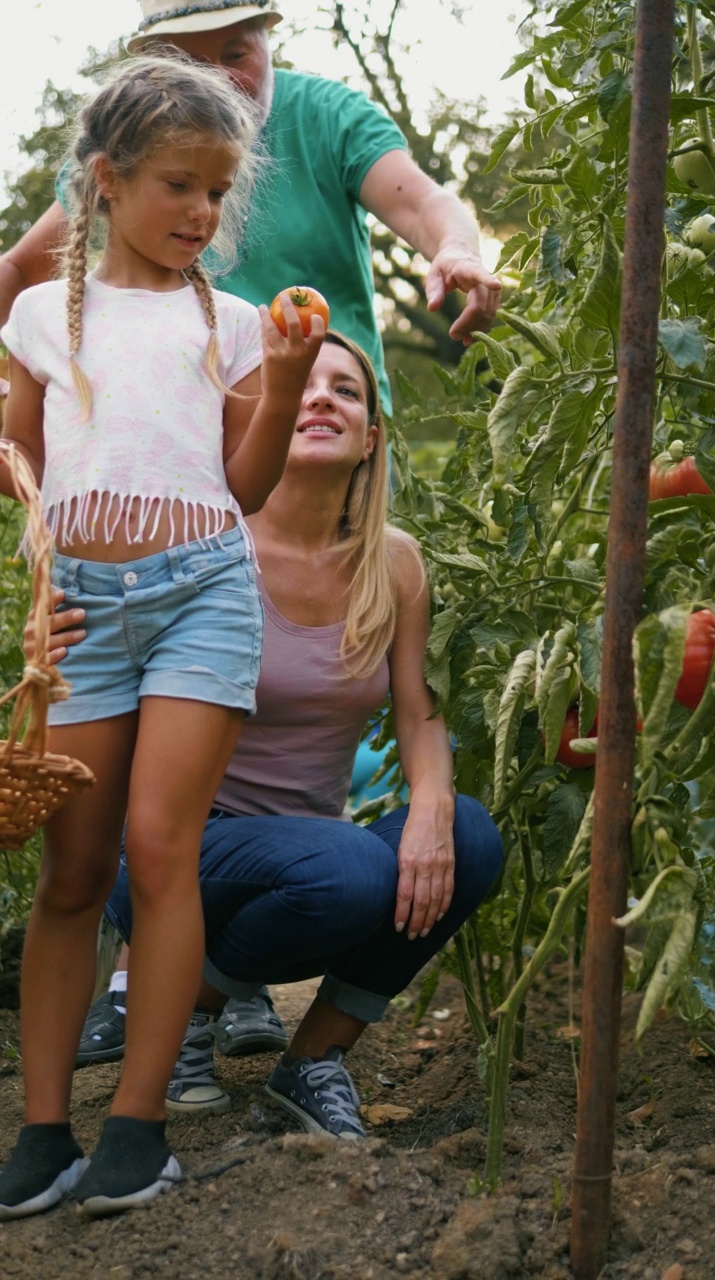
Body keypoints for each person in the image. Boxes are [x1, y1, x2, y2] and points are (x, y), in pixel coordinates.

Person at [0, 55, 325, 1221]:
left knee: (159, 846)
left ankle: (137, 1125)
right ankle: (45, 1129)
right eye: (178, 186)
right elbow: (21, 475)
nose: (202, 212)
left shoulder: (233, 323)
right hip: (82, 607)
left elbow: (242, 484)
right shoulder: (39, 313)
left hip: (203, 591)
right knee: (74, 869)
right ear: (106, 180)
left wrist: (283, 383)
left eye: (218, 192)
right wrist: (33, 596)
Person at [41, 331, 504, 1137]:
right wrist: (54, 648)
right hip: (175, 852)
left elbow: (418, 710)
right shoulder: (197, 544)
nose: (323, 397)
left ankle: (310, 1061)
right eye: (305, 384)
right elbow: (101, 671)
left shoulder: (394, 566)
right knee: (351, 871)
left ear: (372, 439)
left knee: (470, 837)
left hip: (307, 861)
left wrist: (430, 802)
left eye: (348, 391)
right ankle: (174, 1002)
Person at [0, 0, 502, 416]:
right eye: (186, 62)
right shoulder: (122, 149)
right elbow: (23, 272)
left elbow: (420, 203)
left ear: (268, 38)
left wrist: (456, 248)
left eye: (234, 53)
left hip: (332, 430)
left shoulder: (331, 116)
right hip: (187, 442)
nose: (215, 80)